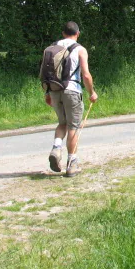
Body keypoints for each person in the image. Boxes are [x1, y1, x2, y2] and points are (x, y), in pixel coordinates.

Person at [44, 21, 98, 177]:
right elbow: (86, 75)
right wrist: (91, 93)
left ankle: (56, 148)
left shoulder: (51, 48)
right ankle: (72, 164)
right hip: (72, 91)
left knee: (62, 123)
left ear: (63, 33)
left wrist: (47, 93)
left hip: (54, 90)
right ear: (78, 33)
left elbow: (47, 73)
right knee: (73, 127)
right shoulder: (80, 49)